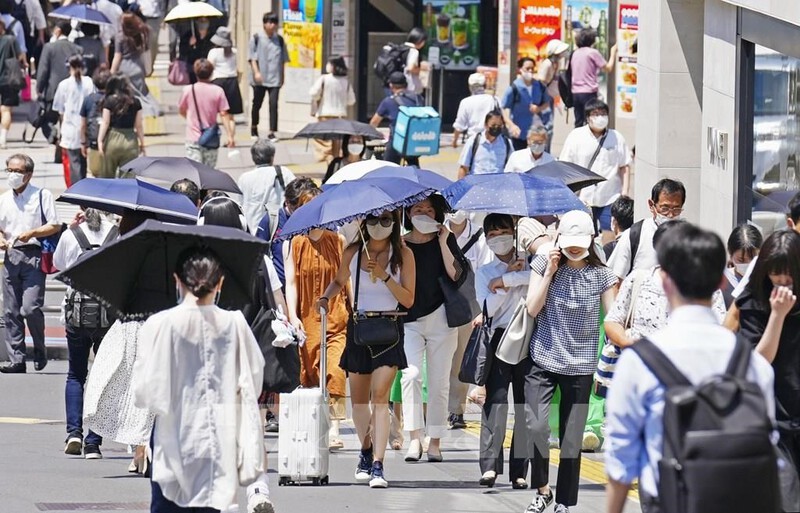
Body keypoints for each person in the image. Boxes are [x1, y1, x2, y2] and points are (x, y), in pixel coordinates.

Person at [604, 223, 776, 513]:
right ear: (721, 283)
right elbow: (769, 445)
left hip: (668, 499)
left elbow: (621, 462)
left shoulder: (640, 362)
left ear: (666, 281)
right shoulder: (752, 363)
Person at [132, 246, 266, 512]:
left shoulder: (159, 324)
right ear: (220, 283)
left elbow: (143, 391)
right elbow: (253, 378)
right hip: (218, 437)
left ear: (177, 280)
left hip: (173, 436)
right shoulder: (234, 323)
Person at [522, 209, 617, 513]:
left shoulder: (602, 275)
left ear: (591, 239)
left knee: (571, 438)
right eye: (569, 241)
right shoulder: (543, 262)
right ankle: (542, 489)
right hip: (544, 357)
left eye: (581, 242)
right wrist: (549, 272)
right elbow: (533, 309)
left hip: (581, 365)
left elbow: (612, 319)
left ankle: (563, 501)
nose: (574, 248)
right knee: (535, 426)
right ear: (559, 238)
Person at [196, 196, 281, 513]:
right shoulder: (260, 258)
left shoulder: (195, 264)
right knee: (252, 426)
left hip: (209, 355)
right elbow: (279, 306)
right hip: (252, 353)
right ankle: (258, 490)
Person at [321, 209, 415, 488]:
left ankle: (378, 464)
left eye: (386, 220)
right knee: (359, 402)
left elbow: (409, 300)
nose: (379, 226)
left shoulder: (404, 255)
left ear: (395, 223)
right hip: (360, 328)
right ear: (364, 222)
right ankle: (365, 449)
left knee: (380, 398)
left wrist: (385, 276)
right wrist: (326, 298)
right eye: (372, 219)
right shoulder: (352, 251)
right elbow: (339, 281)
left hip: (388, 329)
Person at [601, 220, 727, 391]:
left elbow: (722, 329)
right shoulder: (639, 279)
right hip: (641, 375)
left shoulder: (705, 285)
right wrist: (628, 343)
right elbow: (613, 320)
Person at [83, 209, 157, 475]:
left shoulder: (120, 252)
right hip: (155, 326)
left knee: (128, 386)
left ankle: (137, 449)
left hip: (127, 327)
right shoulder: (159, 253)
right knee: (148, 387)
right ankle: (143, 448)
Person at [283, 185, 349, 450]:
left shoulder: (338, 240)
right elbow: (291, 283)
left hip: (336, 315)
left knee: (334, 368)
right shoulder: (294, 243)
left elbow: (346, 280)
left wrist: (354, 310)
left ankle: (334, 427)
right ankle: (312, 425)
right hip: (306, 317)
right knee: (309, 371)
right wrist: (292, 316)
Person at [400, 196, 465, 463]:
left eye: (429, 209)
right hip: (409, 319)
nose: (424, 213)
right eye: (418, 209)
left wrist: (443, 240)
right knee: (411, 376)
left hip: (442, 317)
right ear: (408, 214)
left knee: (438, 382)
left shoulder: (445, 240)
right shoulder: (400, 243)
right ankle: (414, 437)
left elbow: (456, 274)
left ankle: (434, 440)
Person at [53, 208, 117, 459]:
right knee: (102, 377)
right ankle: (93, 442)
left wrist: (70, 228)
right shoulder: (116, 233)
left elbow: (58, 264)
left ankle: (73, 434)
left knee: (76, 375)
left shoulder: (72, 234)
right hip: (107, 316)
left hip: (76, 314)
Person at [475, 213, 533, 489]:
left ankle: (519, 471)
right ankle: (489, 467)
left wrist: (511, 279)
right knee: (495, 404)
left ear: (514, 232)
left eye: (504, 231)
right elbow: (488, 309)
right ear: (486, 239)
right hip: (498, 338)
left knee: (526, 405)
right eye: (493, 233)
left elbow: (537, 282)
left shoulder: (530, 261)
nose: (499, 237)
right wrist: (506, 278)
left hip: (529, 339)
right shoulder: (484, 271)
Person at [0, 154, 60, 374]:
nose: (13, 175)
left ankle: (40, 348)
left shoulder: (42, 195)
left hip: (34, 254)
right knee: (11, 310)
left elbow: (54, 225)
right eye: (10, 170)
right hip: (11, 255)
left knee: (30, 307)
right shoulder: (4, 199)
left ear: (29, 174)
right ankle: (17, 358)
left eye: (18, 171)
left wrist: (32, 233)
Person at [444, 208, 492, 430]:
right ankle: (432, 408)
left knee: (460, 360)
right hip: (439, 305)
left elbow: (485, 274)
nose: (456, 212)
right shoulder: (438, 232)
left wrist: (483, 310)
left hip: (467, 307)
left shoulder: (480, 238)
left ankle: (456, 410)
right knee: (437, 362)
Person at [560, 99, 630, 244]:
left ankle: (606, 262)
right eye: (595, 114)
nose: (600, 117)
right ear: (587, 117)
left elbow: (625, 166)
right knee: (584, 234)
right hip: (583, 197)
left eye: (603, 113)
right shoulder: (576, 136)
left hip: (610, 196)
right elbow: (565, 165)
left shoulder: (617, 137)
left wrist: (624, 193)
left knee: (610, 234)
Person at [607, 178, 686, 279]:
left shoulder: (689, 238)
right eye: (665, 209)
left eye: (676, 209)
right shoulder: (635, 235)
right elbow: (615, 280)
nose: (670, 215)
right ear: (651, 205)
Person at [256, 177, 319, 288]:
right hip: (280, 289)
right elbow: (257, 254)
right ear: (287, 202)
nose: (303, 215)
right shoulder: (272, 220)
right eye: (298, 209)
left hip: (310, 288)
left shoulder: (318, 220)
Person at [178, 59, 235, 168]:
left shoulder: (188, 90)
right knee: (209, 173)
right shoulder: (218, 91)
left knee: (195, 173)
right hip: (211, 138)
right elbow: (224, 114)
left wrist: (190, 118)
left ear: (195, 72)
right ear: (212, 73)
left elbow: (181, 110)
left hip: (192, 138)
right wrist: (230, 136)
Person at [238, 138, 296, 234]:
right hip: (278, 230)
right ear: (272, 156)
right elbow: (297, 193)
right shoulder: (284, 172)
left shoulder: (244, 178)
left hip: (253, 230)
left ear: (253, 157)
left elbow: (241, 204)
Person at [36, 20, 80, 145]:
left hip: (52, 88)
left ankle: (53, 136)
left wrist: (39, 87)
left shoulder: (49, 47)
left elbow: (43, 70)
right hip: (73, 89)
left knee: (48, 119)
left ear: (58, 30)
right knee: (67, 120)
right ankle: (62, 147)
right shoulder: (77, 48)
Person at [54, 54, 95, 185]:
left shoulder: (64, 85)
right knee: (83, 161)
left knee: (74, 162)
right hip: (86, 127)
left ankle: (77, 191)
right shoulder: (89, 82)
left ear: (69, 67)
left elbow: (59, 109)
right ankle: (83, 189)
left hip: (70, 127)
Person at [248, 11, 289, 141]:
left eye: (274, 23)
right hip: (259, 78)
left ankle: (272, 131)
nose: (272, 25)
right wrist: (257, 72)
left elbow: (282, 60)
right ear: (264, 24)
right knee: (257, 104)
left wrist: (283, 76)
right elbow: (252, 58)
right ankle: (254, 128)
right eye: (269, 22)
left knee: (273, 104)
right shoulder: (256, 38)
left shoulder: (280, 40)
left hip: (275, 77)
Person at [370, 71, 423, 166]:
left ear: (391, 85)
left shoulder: (388, 101)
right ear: (406, 85)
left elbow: (374, 122)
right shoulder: (417, 99)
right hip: (414, 140)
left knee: (388, 167)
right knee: (414, 167)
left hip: (396, 142)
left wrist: (376, 134)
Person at [309, 55, 356, 162]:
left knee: (324, 143)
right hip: (340, 116)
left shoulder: (324, 79)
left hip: (325, 115)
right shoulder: (346, 82)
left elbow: (313, 93)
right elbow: (351, 101)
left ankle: (329, 163)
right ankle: (335, 164)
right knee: (337, 144)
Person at [97, 73, 144, 178]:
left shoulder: (109, 101)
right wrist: (142, 143)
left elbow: (105, 122)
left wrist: (100, 141)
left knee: (107, 177)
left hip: (112, 140)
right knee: (128, 179)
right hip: (130, 140)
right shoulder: (135, 102)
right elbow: (139, 125)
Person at [570, 29, 617, 128]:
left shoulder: (575, 53)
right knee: (591, 122)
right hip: (588, 92)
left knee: (578, 122)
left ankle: (577, 141)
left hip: (575, 92)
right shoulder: (592, 53)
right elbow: (608, 68)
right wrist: (613, 53)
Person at [502, 57, 550, 151]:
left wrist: (539, 108)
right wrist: (511, 125)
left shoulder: (539, 86)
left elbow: (547, 103)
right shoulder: (514, 87)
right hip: (519, 132)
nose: (530, 71)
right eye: (527, 68)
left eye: (532, 68)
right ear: (520, 69)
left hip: (536, 132)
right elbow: (503, 108)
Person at [458, 109, 515, 178]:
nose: (496, 128)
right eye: (493, 125)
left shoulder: (506, 143)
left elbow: (513, 166)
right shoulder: (474, 141)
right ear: (486, 125)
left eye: (499, 125)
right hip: (477, 185)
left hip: (497, 185)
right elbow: (464, 167)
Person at [110, 14, 150, 101]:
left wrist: (112, 72)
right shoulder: (140, 35)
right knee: (141, 99)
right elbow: (146, 53)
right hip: (139, 68)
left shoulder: (120, 38)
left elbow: (117, 56)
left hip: (125, 70)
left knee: (127, 98)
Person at [452, 72, 499, 147]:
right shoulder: (494, 99)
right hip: (493, 141)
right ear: (485, 85)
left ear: (470, 86)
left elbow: (459, 125)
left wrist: (454, 141)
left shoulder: (465, 102)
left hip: (473, 141)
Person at [722, 224, 763, 307]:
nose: (748, 264)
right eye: (741, 260)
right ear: (730, 253)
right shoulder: (721, 281)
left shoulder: (764, 280)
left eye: (754, 259)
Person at [208, 27, 243, 118]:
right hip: (232, 81)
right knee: (230, 113)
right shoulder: (234, 52)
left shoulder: (213, 52)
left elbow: (210, 68)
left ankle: (224, 129)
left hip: (218, 81)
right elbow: (239, 68)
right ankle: (231, 130)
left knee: (218, 109)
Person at [80, 69, 110, 178]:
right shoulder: (112, 99)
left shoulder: (88, 100)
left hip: (93, 144)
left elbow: (83, 125)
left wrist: (83, 142)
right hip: (109, 143)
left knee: (94, 174)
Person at [0, 17, 22, 149]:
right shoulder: (11, 40)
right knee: (6, 109)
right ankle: (3, 138)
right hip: (8, 79)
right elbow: (20, 57)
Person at [179, 16, 214, 84]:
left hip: (208, 68)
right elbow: (182, 52)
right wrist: (190, 44)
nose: (203, 23)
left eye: (205, 21)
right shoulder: (189, 35)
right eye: (201, 21)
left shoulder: (212, 36)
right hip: (193, 69)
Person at [403, 27, 426, 95]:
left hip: (399, 85)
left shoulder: (402, 48)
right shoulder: (414, 51)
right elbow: (411, 68)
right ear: (420, 40)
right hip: (410, 87)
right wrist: (422, 71)